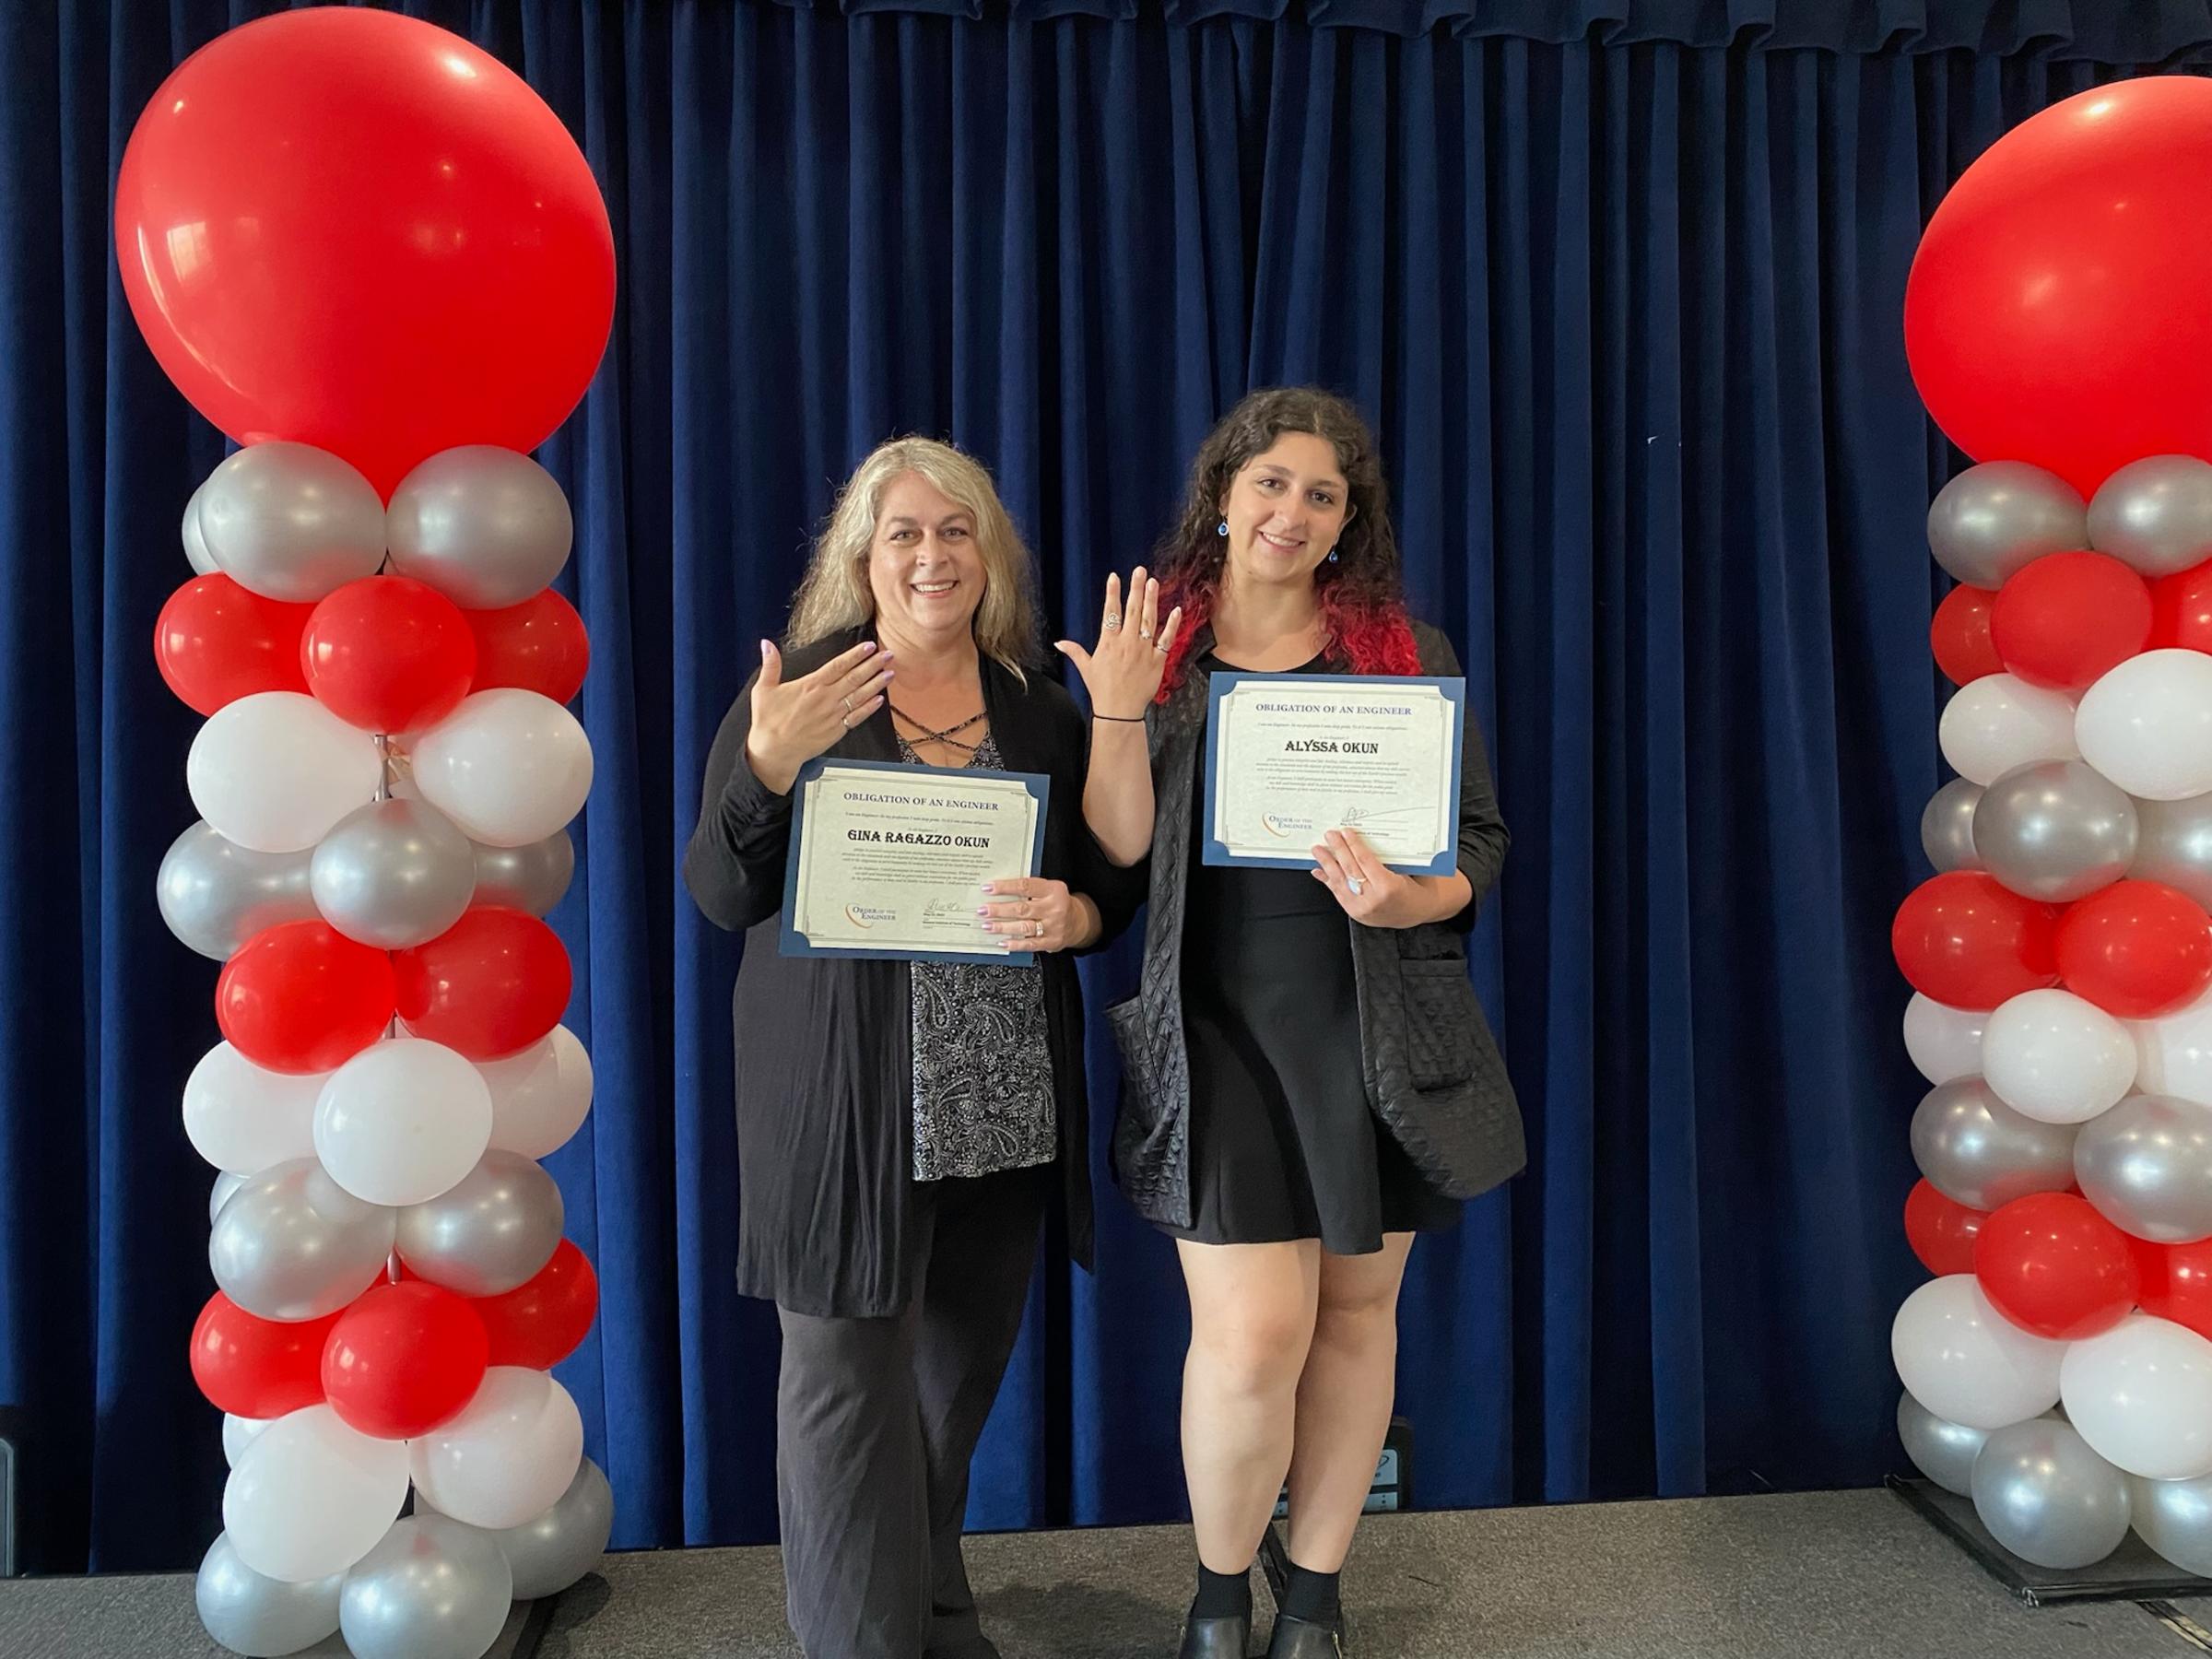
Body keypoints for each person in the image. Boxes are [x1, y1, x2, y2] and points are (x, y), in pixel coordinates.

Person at [1058, 387, 1525, 1659]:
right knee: (1255, 1331)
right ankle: (1219, 1600)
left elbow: (1478, 844)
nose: (1293, 511)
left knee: (1359, 1317)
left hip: (1380, 1027)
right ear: (1223, 498)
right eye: (1271, 485)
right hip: (1218, 1032)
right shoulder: (1158, 651)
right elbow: (1114, 857)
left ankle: (1310, 1599)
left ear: (1347, 523)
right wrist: (1114, 706)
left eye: (1323, 495)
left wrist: (1410, 894)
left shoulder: (1402, 656)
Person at [685, 436, 1136, 1659]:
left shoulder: (1035, 704)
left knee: (947, 1395)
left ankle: (932, 1612)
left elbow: (1106, 888)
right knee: (843, 1401)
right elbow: (720, 893)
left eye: (955, 532)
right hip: (844, 1109)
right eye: (904, 535)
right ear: (862, 558)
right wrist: (768, 767)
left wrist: (1078, 914)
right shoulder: (812, 689)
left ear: (988, 556)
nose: (932, 556)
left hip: (999, 1105)